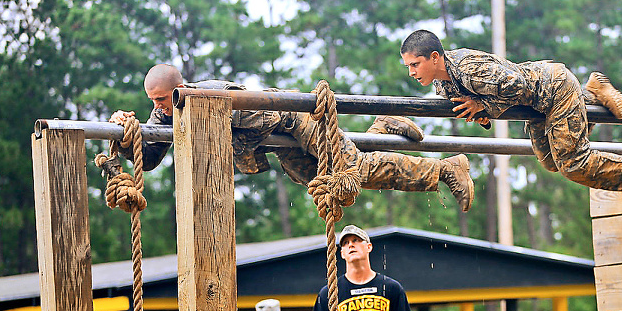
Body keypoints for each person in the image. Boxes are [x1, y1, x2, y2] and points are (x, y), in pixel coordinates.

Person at [109, 64, 474, 211]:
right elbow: (152, 156)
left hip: (295, 121)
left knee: (351, 168)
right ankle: (380, 130)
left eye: (164, 99)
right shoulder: (166, 112)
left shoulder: (211, 95)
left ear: (180, 88)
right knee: (324, 178)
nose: (161, 108)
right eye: (154, 103)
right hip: (278, 146)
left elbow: (270, 115)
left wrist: (335, 150)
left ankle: (445, 169)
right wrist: (127, 137)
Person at [399, 30, 622, 210]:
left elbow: (517, 85)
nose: (412, 73)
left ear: (435, 57)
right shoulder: (443, 85)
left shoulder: (470, 70)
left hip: (553, 89)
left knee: (573, 163)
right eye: (408, 67)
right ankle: (591, 94)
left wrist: (483, 104)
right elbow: (488, 105)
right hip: (536, 107)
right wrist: (480, 113)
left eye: (415, 65)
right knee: (551, 162)